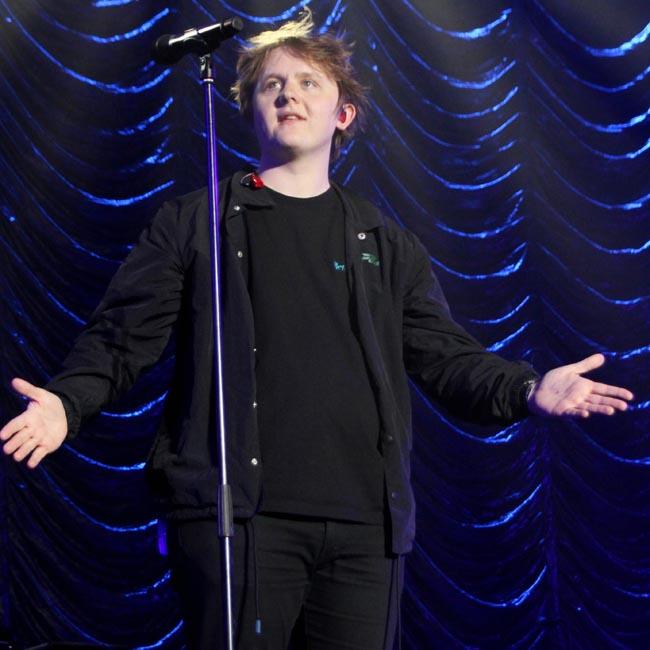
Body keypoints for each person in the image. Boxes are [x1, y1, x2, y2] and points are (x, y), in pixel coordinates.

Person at [0, 10, 633, 650]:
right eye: (272, 85)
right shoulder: (198, 222)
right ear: (250, 110)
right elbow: (122, 337)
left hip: (364, 526)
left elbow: (446, 357)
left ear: (343, 114)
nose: (289, 95)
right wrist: (67, 404)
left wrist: (528, 389)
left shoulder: (384, 242)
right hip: (240, 520)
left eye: (308, 83)